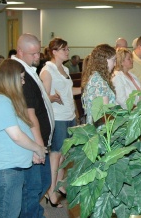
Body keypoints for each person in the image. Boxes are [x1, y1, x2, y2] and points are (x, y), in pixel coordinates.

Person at [0, 59, 47, 218]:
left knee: (12, 211)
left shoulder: (7, 99)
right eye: (21, 78)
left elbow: (20, 129)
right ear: (10, 79)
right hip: (5, 170)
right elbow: (16, 136)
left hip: (10, 168)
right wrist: (37, 148)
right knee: (8, 213)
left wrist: (31, 151)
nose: (23, 82)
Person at [12, 33, 55, 218]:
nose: (38, 57)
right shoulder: (21, 75)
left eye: (38, 52)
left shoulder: (29, 70)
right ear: (20, 52)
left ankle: (33, 213)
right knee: (34, 186)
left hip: (41, 141)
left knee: (41, 183)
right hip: (35, 142)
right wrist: (38, 146)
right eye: (33, 54)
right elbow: (30, 114)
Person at [40, 38, 81, 207]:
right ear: (54, 52)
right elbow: (42, 96)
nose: (67, 51)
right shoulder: (47, 70)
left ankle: (60, 185)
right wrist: (52, 97)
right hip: (57, 117)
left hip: (69, 114)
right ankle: (51, 191)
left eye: (68, 48)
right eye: (64, 49)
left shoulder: (64, 69)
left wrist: (85, 89)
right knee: (56, 154)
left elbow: (68, 91)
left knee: (65, 154)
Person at [81, 44, 117, 124]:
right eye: (113, 60)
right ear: (103, 60)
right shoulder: (98, 81)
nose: (115, 64)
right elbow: (102, 115)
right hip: (101, 129)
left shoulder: (97, 77)